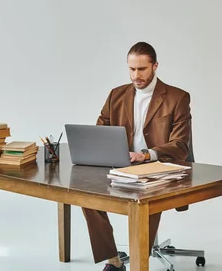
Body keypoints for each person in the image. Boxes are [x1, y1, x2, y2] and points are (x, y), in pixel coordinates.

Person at [82, 41, 192, 271]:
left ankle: (139, 261)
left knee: (146, 202)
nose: (135, 75)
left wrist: (145, 155)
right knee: (86, 197)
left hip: (158, 166)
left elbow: (181, 145)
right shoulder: (116, 95)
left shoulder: (177, 97)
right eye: (131, 69)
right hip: (122, 164)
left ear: (155, 66)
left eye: (141, 69)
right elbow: (100, 131)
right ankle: (112, 260)